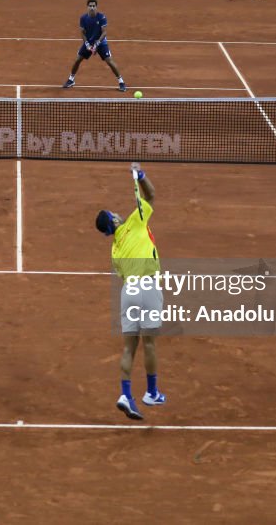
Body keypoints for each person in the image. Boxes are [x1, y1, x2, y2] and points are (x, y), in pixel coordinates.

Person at [95, 163, 165, 421]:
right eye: (113, 213)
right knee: (149, 343)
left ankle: (125, 394)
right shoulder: (135, 221)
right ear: (114, 221)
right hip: (147, 287)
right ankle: (151, 393)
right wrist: (142, 176)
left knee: (129, 348)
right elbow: (151, 196)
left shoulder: (114, 250)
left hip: (128, 292)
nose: (117, 213)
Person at [63, 0, 127, 91]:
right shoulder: (83, 18)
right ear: (87, 7)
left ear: (96, 7)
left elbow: (104, 33)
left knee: (109, 61)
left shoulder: (101, 17)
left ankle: (121, 82)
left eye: (94, 6)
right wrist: (87, 44)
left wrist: (97, 44)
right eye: (90, 6)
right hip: (89, 42)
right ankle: (71, 79)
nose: (92, 8)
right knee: (77, 60)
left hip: (101, 42)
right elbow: (82, 33)